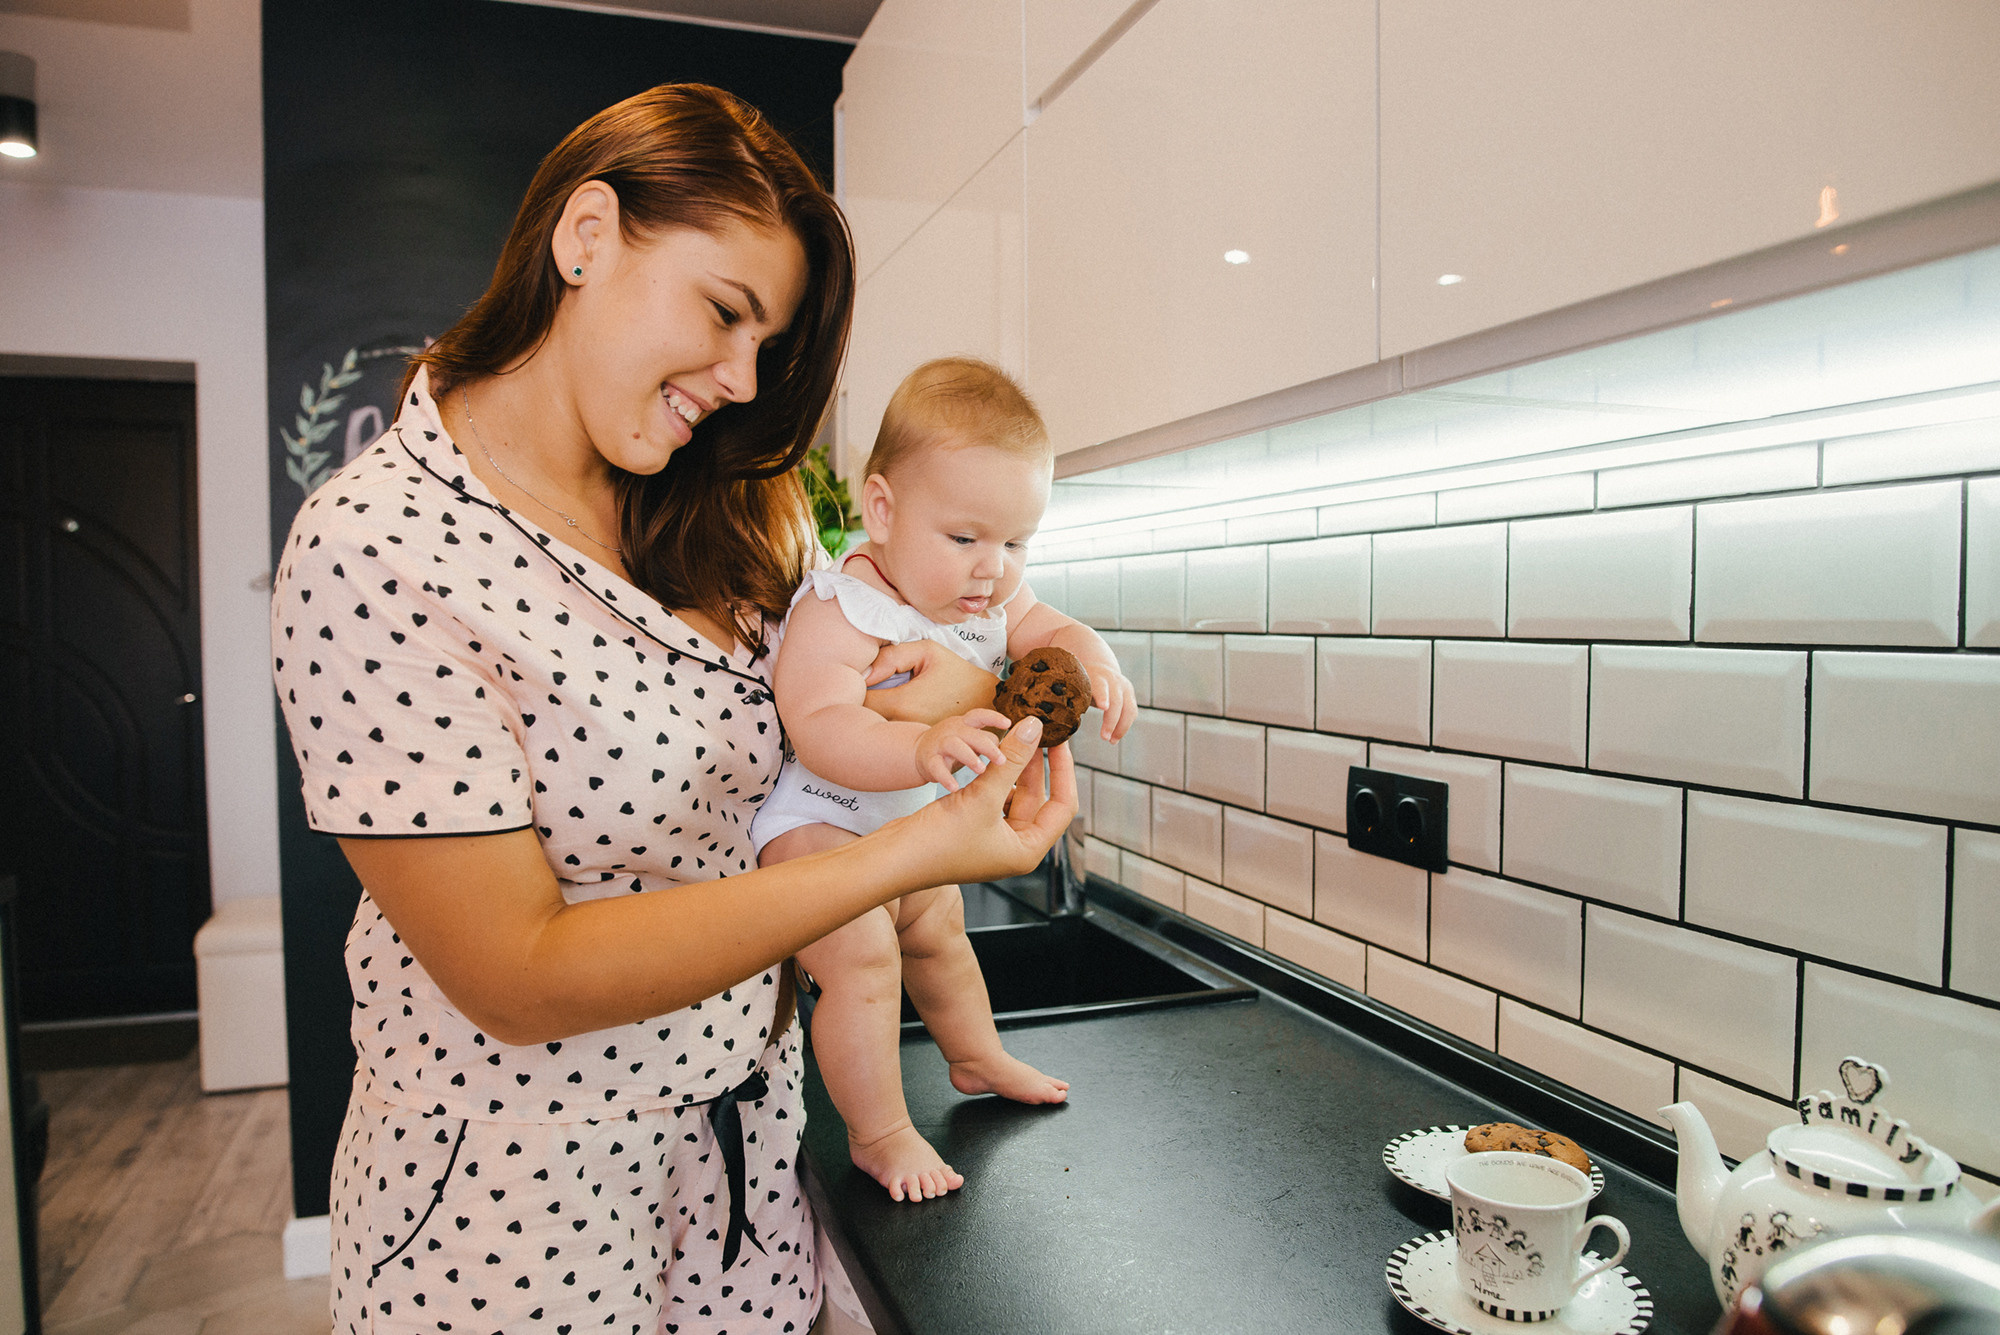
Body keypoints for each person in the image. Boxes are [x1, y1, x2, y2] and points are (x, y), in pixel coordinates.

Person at [270, 85, 1074, 1335]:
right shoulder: (377, 546)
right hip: (515, 1208)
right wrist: (914, 852)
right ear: (585, 235)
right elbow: (519, 976)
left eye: (769, 342)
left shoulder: (739, 506)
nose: (742, 379)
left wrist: (1003, 698)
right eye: (723, 312)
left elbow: (891, 674)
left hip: (746, 1151)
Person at [753, 357, 1135, 1202]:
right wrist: (917, 753)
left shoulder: (987, 603)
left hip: (908, 839)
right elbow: (816, 725)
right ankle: (880, 1132)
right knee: (863, 955)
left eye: (1015, 542)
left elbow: (1053, 628)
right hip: (818, 826)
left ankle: (974, 1054)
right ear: (882, 510)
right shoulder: (841, 605)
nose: (992, 568)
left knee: (941, 935)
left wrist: (1095, 661)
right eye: (965, 538)